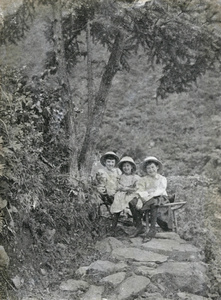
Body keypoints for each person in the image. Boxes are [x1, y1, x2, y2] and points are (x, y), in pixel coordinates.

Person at [129, 156, 173, 242]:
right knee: (132, 201)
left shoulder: (162, 179)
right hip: (146, 198)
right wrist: (140, 199)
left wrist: (147, 197)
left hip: (160, 197)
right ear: (145, 169)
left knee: (154, 201)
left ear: (157, 167)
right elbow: (140, 190)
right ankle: (139, 226)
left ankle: (152, 229)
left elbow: (160, 191)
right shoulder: (143, 180)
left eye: (152, 167)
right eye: (148, 168)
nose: (151, 170)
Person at [110, 156, 140, 234]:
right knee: (117, 204)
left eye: (128, 166)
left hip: (131, 195)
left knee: (132, 202)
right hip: (121, 195)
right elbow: (117, 186)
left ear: (132, 167)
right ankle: (113, 226)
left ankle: (137, 225)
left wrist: (127, 189)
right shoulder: (120, 177)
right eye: (124, 166)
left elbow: (137, 188)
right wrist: (119, 188)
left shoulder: (135, 177)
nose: (126, 168)